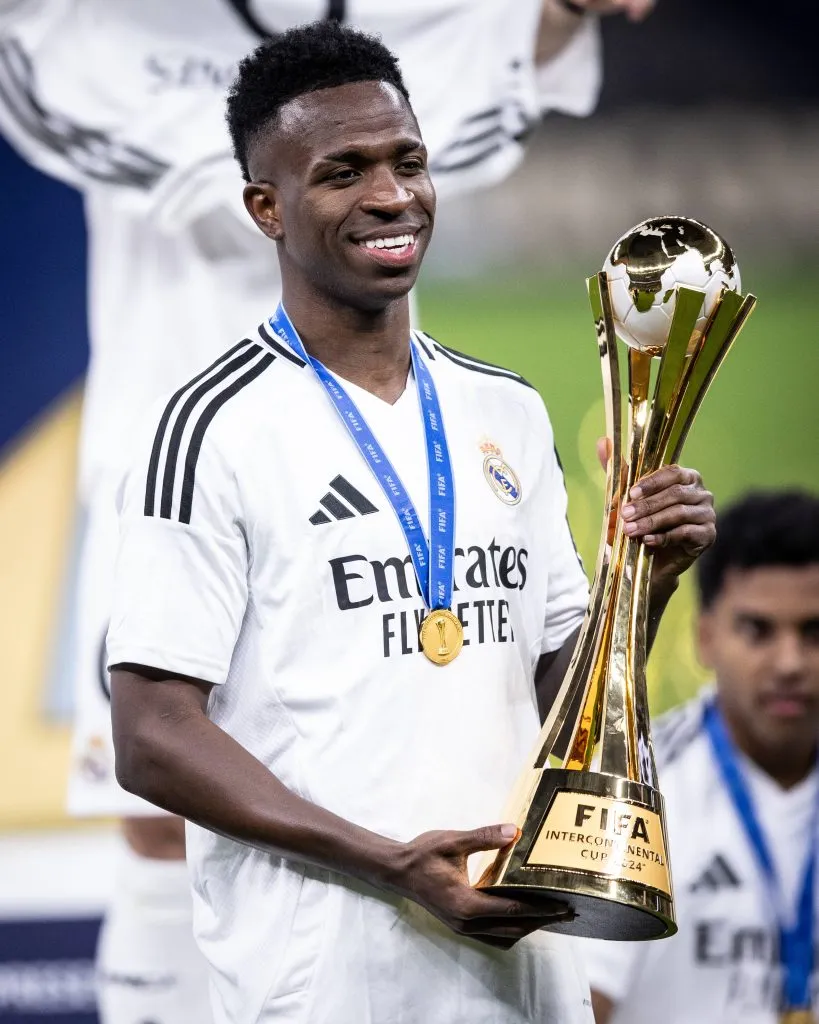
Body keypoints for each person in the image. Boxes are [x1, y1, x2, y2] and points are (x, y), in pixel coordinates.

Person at [0, 1, 655, 1020]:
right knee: (152, 827)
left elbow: (564, 674)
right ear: (263, 203)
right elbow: (156, 737)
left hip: (520, 973)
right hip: (325, 979)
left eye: (405, 161)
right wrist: (392, 862)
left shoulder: (504, 411)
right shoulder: (201, 429)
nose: (389, 193)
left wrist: (640, 582)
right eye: (344, 171)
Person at [583, 490, 819, 1024]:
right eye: (758, 630)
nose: (790, 663)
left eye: (813, 632)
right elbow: (580, 1008)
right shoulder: (637, 788)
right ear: (706, 637)